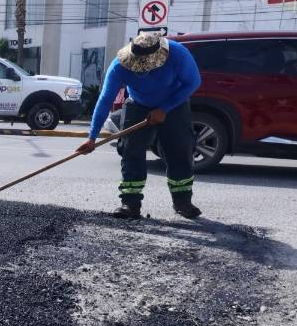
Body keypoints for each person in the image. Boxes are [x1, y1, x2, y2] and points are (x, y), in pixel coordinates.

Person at [76, 32, 203, 219]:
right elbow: (105, 100)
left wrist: (164, 108)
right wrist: (92, 137)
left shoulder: (177, 54)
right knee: (130, 151)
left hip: (174, 105)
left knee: (180, 151)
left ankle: (183, 202)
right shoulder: (119, 66)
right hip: (138, 105)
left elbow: (193, 82)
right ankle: (130, 203)